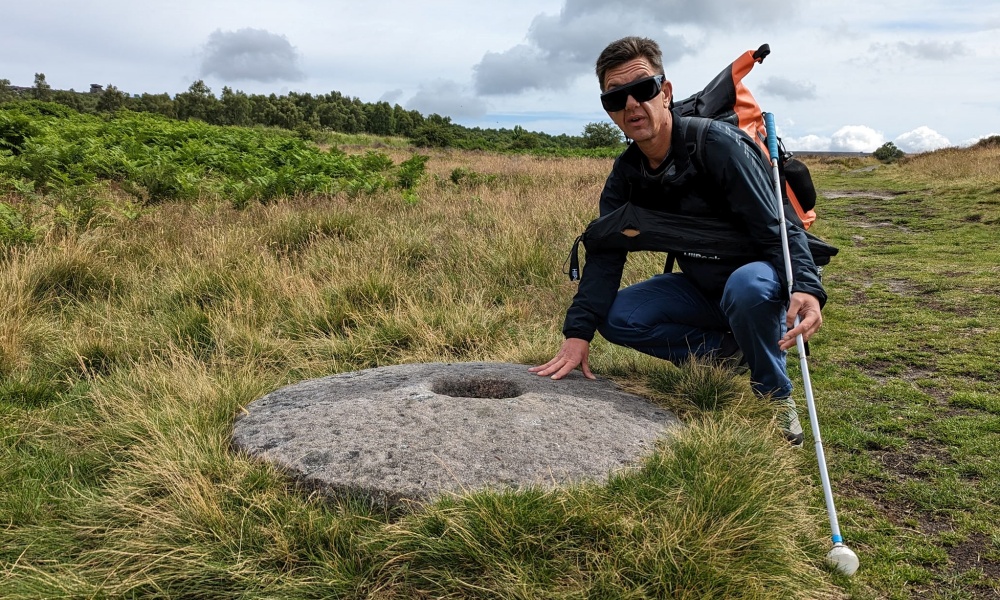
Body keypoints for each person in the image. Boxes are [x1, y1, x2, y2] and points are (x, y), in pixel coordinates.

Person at [528, 36, 826, 445]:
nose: (631, 104)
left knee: (746, 287)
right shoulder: (627, 175)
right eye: (615, 98)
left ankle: (775, 396)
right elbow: (605, 253)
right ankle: (728, 354)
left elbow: (779, 228)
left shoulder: (718, 146)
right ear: (609, 111)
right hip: (701, 288)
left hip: (758, 286)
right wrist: (577, 335)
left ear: (665, 93)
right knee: (616, 317)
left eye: (643, 89)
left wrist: (807, 288)